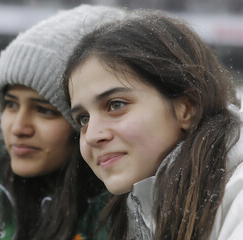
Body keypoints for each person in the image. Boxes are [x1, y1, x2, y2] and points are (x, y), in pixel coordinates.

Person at [0, 5, 126, 240]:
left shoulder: (123, 206)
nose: (19, 128)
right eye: (11, 104)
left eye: (43, 110)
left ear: (84, 121)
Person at [62, 9, 243, 240]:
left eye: (116, 105)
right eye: (83, 119)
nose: (91, 136)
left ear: (187, 108)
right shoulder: (136, 211)